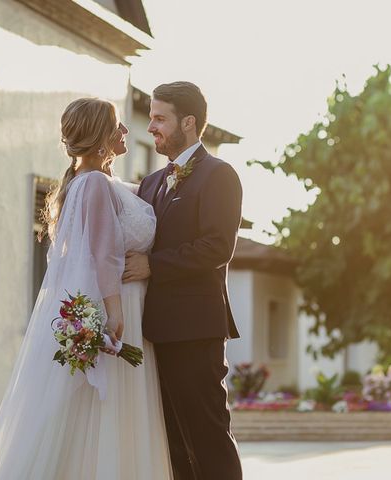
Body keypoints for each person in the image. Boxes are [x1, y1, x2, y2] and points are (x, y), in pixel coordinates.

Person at [0, 98, 172, 480]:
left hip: (124, 303)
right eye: (118, 126)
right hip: (120, 306)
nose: (126, 132)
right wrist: (114, 314)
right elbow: (103, 254)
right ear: (99, 139)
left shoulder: (94, 182)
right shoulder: (93, 182)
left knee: (94, 419)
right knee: (103, 419)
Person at [124, 81, 244, 480]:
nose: (151, 127)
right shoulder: (151, 183)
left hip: (196, 329)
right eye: (152, 117)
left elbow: (217, 247)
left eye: (160, 118)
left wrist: (153, 265)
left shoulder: (219, 175)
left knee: (207, 436)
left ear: (188, 123)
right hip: (155, 329)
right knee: (172, 440)